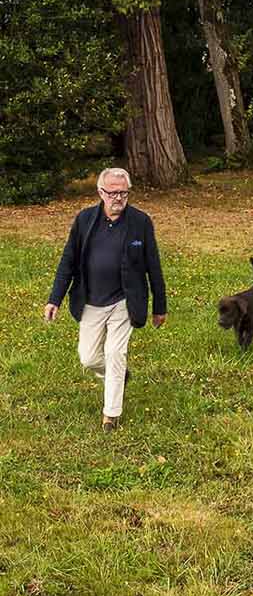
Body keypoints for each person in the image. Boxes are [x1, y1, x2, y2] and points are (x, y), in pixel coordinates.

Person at [42, 167, 167, 429]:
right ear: (101, 192)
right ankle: (119, 376)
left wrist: (160, 306)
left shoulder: (140, 222)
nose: (118, 198)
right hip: (90, 300)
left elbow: (153, 265)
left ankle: (111, 415)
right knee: (88, 358)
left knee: (114, 352)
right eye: (112, 192)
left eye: (123, 192)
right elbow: (68, 260)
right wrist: (55, 299)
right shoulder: (85, 220)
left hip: (124, 301)